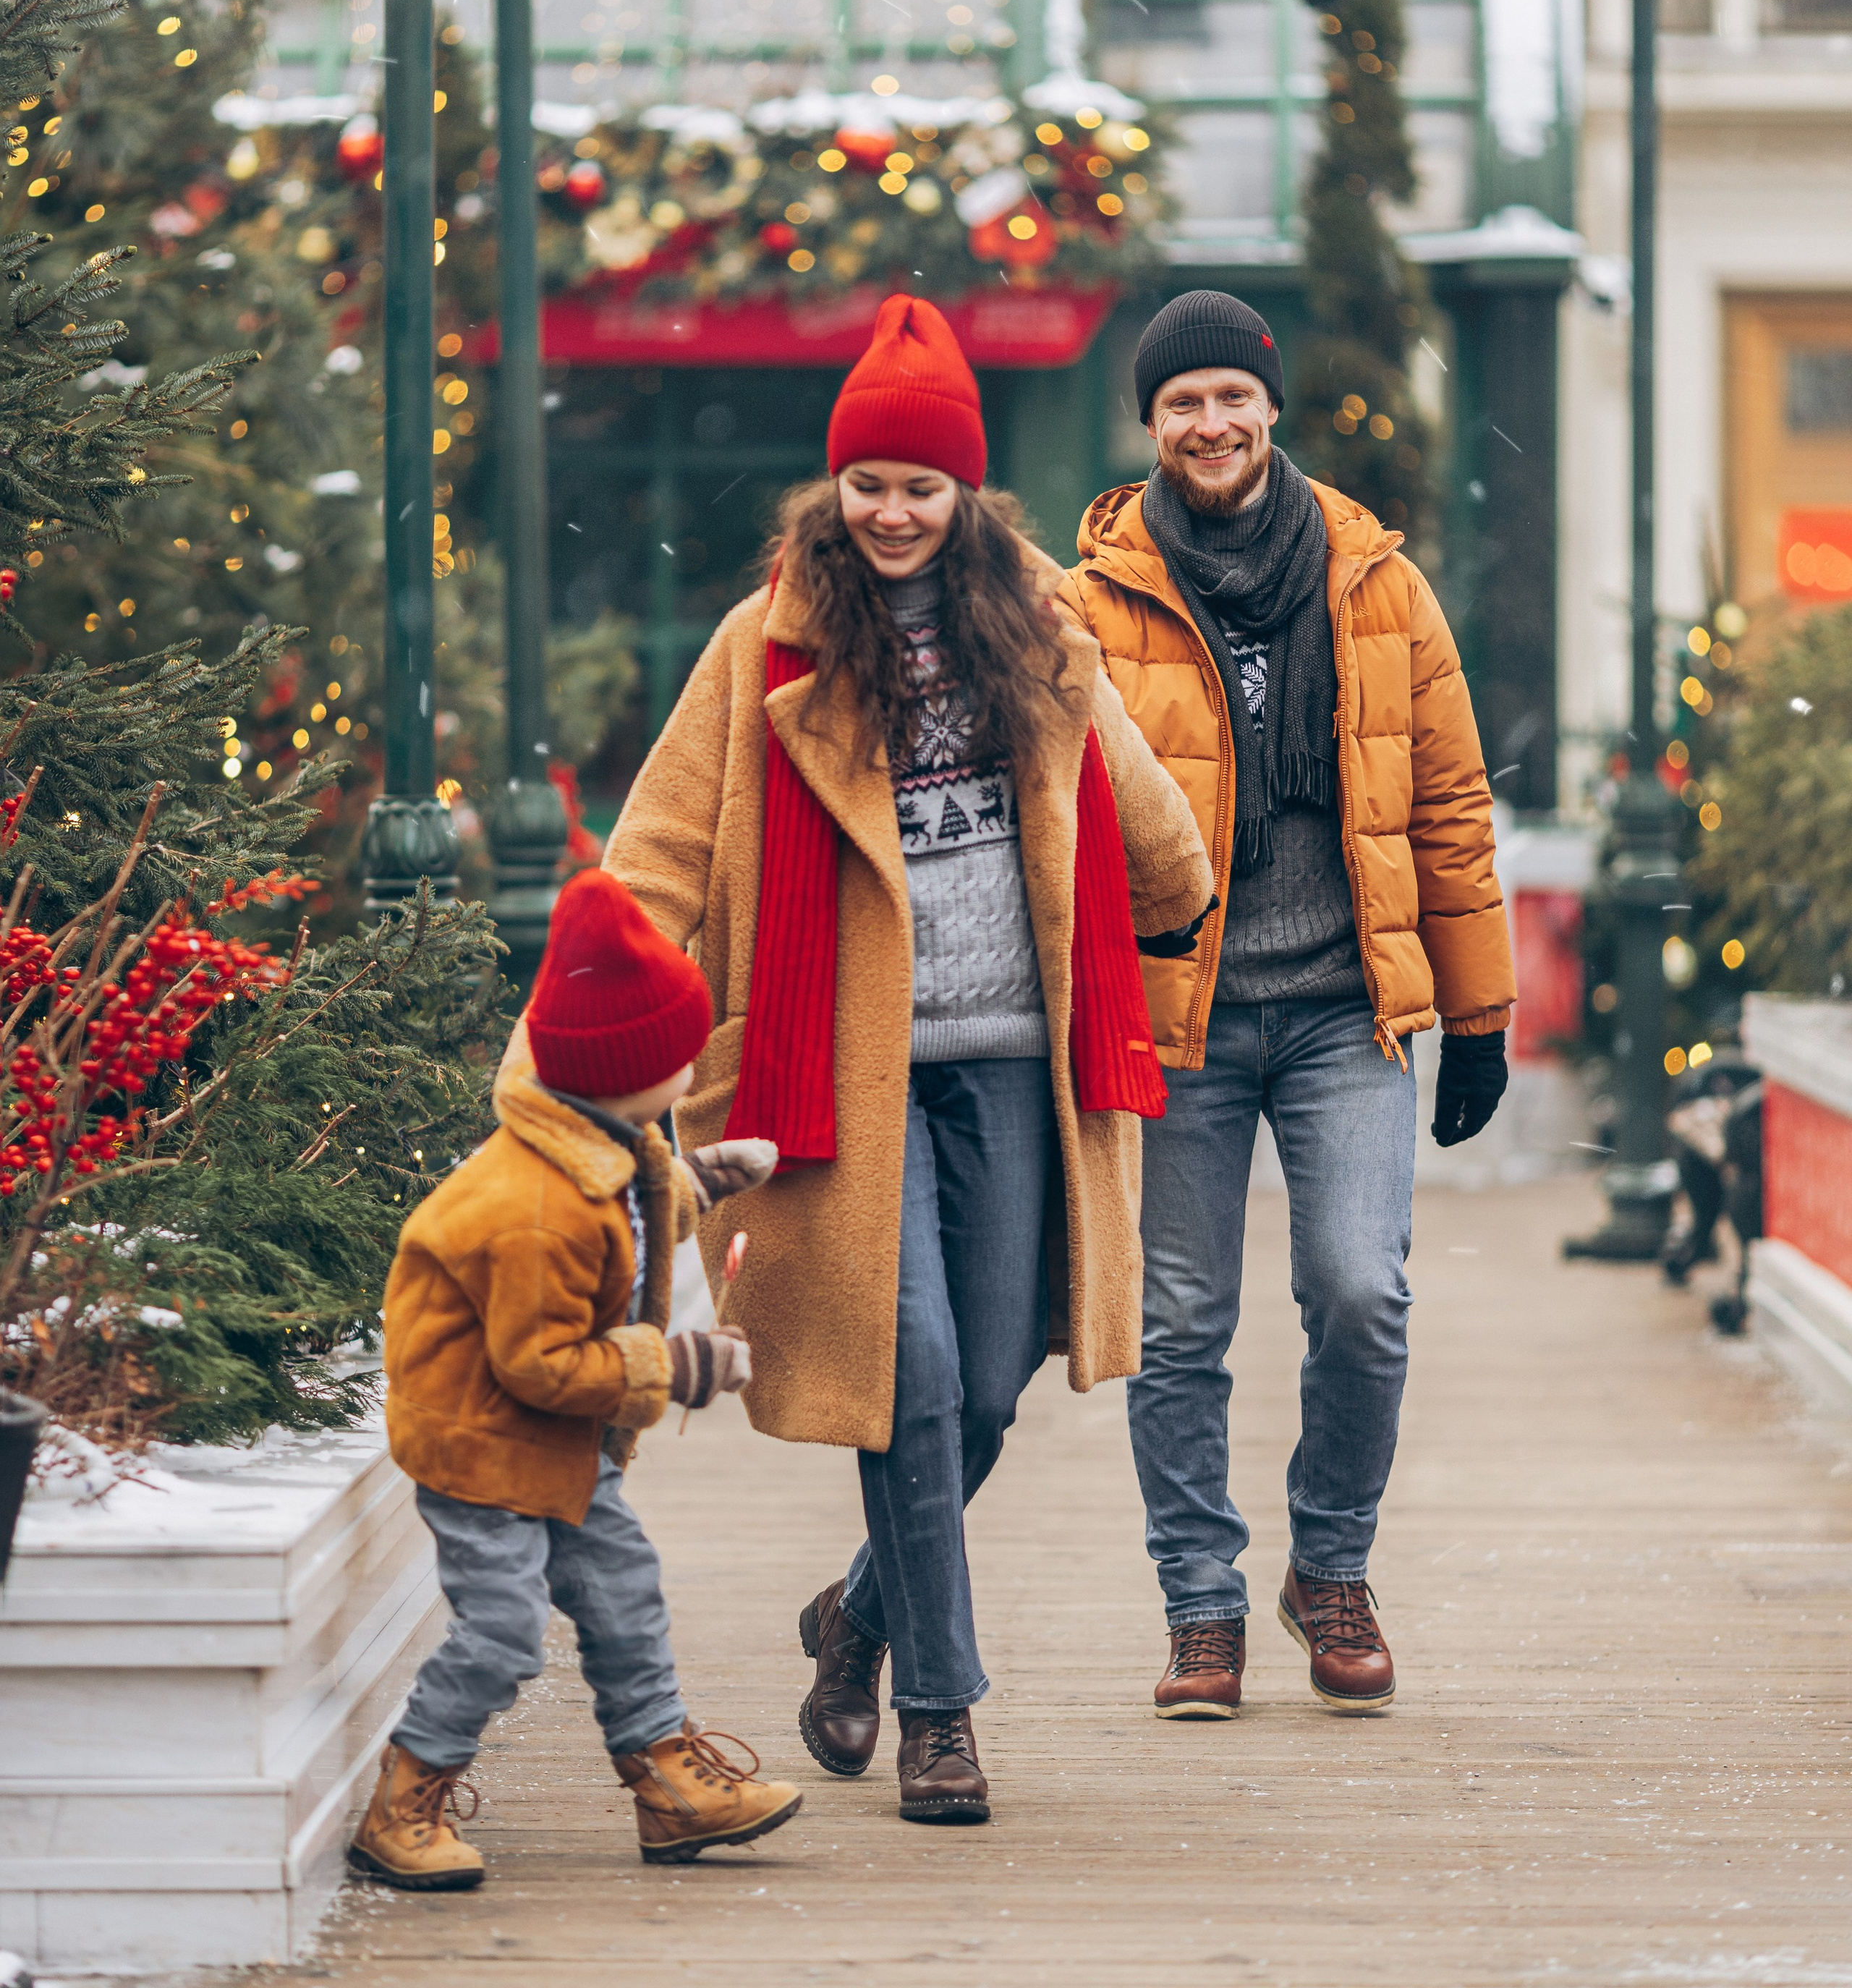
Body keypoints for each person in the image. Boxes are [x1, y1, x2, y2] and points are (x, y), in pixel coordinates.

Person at [590, 292, 1214, 1825]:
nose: (889, 510)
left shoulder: (1039, 628)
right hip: (843, 1065)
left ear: (962, 495)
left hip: (1012, 1058)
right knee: (913, 1376)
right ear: (836, 487)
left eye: (919, 485)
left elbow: (1133, 806)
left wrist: (1179, 893)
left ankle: (855, 1614)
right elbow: (662, 841)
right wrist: (603, 1016)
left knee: (990, 1379)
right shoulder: (766, 646)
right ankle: (940, 1709)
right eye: (867, 481)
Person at [1058, 288, 1516, 1720]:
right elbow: (1056, 816)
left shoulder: (1375, 580)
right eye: (1178, 403)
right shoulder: (1093, 597)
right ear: (1150, 426)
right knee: (1180, 1322)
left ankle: (1329, 1565)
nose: (1207, 423)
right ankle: (1200, 1604)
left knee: (1357, 1291)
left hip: (1339, 1007)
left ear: (1268, 410)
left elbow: (1443, 798)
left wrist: (1479, 1013)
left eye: (1227, 397)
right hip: (1174, 1013)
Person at [351, 870, 804, 1890]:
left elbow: (627, 1220)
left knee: (622, 1590)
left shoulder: (600, 1139)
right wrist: (679, 1363)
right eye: (677, 1056)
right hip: (481, 1441)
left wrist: (698, 1180)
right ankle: (403, 1796)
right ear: (624, 1071)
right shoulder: (532, 1206)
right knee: (505, 1628)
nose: (691, 1068)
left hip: (559, 1443)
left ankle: (669, 1788)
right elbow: (542, 1362)